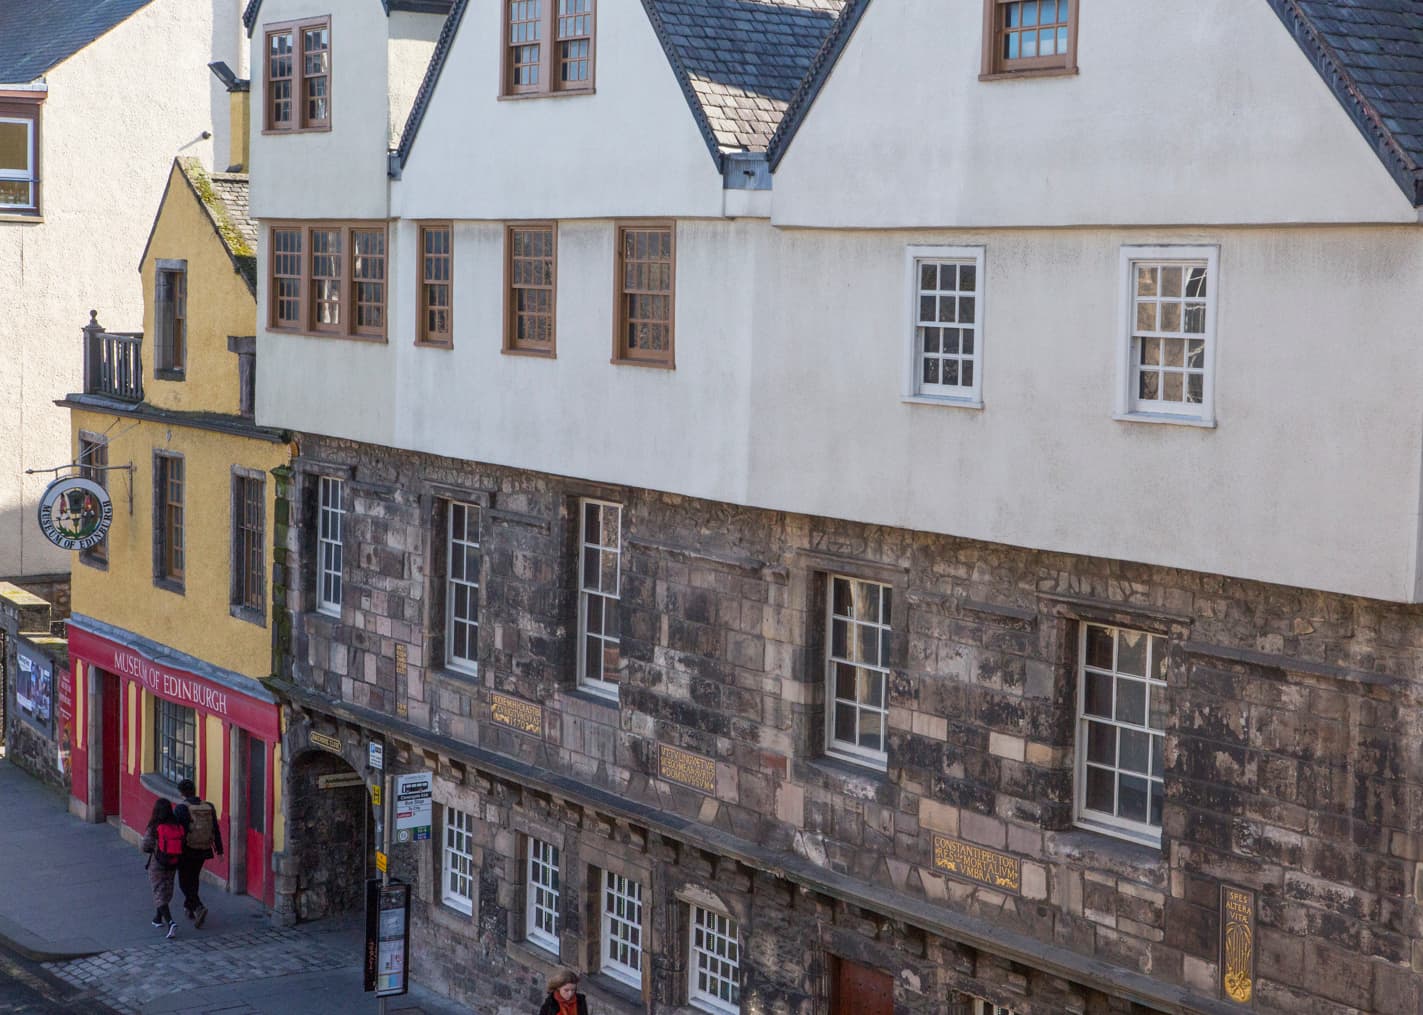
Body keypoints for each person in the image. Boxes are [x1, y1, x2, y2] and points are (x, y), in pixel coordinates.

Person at [173, 778, 223, 928]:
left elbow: (178, 833)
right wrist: (219, 850)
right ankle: (189, 908)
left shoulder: (181, 809)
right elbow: (216, 829)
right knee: (193, 878)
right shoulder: (208, 807)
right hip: (204, 849)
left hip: (186, 850)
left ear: (181, 793)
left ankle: (198, 907)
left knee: (183, 882)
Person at [140, 798, 184, 939]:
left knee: (158, 891)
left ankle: (170, 922)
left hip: (158, 863)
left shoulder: (154, 826)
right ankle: (157, 918)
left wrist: (155, 848)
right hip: (173, 861)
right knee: (166, 889)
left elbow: (145, 846)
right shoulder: (176, 825)